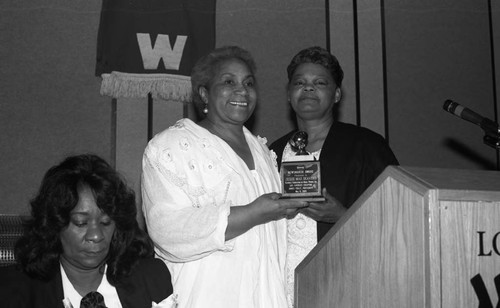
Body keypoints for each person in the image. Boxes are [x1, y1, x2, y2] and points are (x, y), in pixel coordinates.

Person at [141, 46, 308, 308]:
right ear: (204, 94)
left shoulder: (263, 152)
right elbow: (167, 230)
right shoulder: (170, 146)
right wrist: (253, 212)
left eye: (249, 83)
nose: (242, 90)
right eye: (229, 81)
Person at [269, 46, 399, 306]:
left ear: (337, 94)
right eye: (300, 82)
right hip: (279, 287)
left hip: (345, 284)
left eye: (319, 83)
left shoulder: (366, 145)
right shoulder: (270, 152)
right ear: (289, 94)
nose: (308, 89)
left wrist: (342, 217)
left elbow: (398, 220)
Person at [0, 154, 175, 308]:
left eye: (106, 222)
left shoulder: (152, 277)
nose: (96, 235)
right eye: (81, 223)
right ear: (54, 224)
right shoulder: (12, 290)